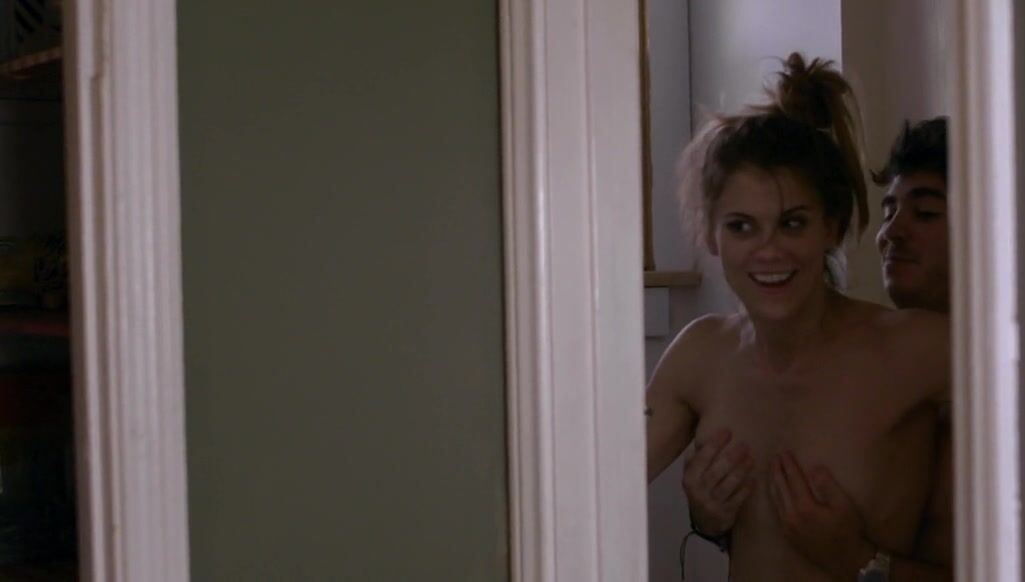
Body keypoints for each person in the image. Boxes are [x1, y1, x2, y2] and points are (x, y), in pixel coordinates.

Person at [646, 54, 950, 582]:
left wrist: (859, 560)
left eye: (792, 224)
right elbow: (590, 483)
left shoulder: (919, 349)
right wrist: (707, 518)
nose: (769, 250)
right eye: (741, 226)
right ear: (711, 235)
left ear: (831, 227)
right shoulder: (699, 353)